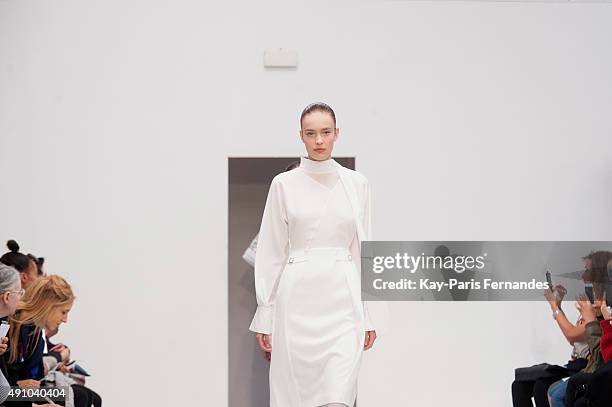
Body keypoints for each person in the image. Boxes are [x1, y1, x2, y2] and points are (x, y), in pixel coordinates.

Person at [248, 102, 377, 407]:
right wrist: (265, 314)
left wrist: (370, 314)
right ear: (301, 136)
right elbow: (271, 251)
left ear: (337, 134)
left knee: (339, 397)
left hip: (343, 302)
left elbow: (365, 250)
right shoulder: (283, 185)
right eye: (311, 133)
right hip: (296, 306)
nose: (319, 140)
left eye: (325, 132)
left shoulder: (357, 185)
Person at [0, 263, 25, 404]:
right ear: (7, 296)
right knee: (65, 394)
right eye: (20, 293)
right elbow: (4, 392)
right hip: (12, 396)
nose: (64, 320)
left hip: (11, 395)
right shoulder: (26, 326)